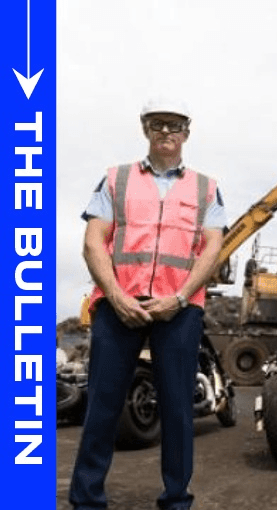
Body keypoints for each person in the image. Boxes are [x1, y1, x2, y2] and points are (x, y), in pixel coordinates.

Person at [69, 98, 227, 510]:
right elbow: (93, 242)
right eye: (157, 124)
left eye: (174, 125)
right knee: (102, 405)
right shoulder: (116, 179)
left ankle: (176, 500)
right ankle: (87, 500)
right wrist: (117, 296)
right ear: (145, 130)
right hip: (118, 306)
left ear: (186, 133)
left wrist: (179, 298)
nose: (166, 131)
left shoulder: (205, 188)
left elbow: (212, 248)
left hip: (179, 310)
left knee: (177, 409)